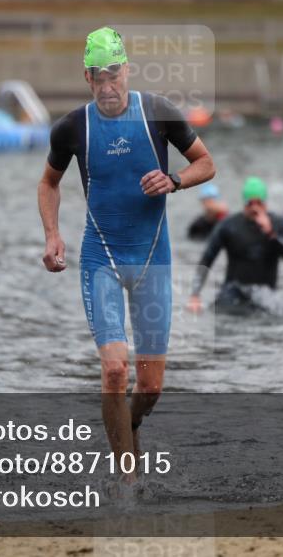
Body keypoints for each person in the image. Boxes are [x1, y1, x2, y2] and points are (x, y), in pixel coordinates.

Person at [37, 27, 215, 471]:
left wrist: (174, 180)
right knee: (115, 370)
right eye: (98, 76)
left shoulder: (157, 112)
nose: (107, 85)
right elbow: (48, 183)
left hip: (153, 260)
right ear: (87, 77)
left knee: (150, 388)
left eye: (113, 74)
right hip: (102, 259)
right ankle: (127, 483)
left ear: (127, 70)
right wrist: (52, 234)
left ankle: (128, 428)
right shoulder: (72, 127)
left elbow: (206, 163)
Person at [187, 177, 283, 315]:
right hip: (233, 293)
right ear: (244, 203)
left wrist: (270, 233)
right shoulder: (229, 225)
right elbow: (207, 259)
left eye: (259, 203)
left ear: (265, 203)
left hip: (265, 296)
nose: (254, 208)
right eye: (250, 203)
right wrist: (195, 295)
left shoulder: (280, 224)